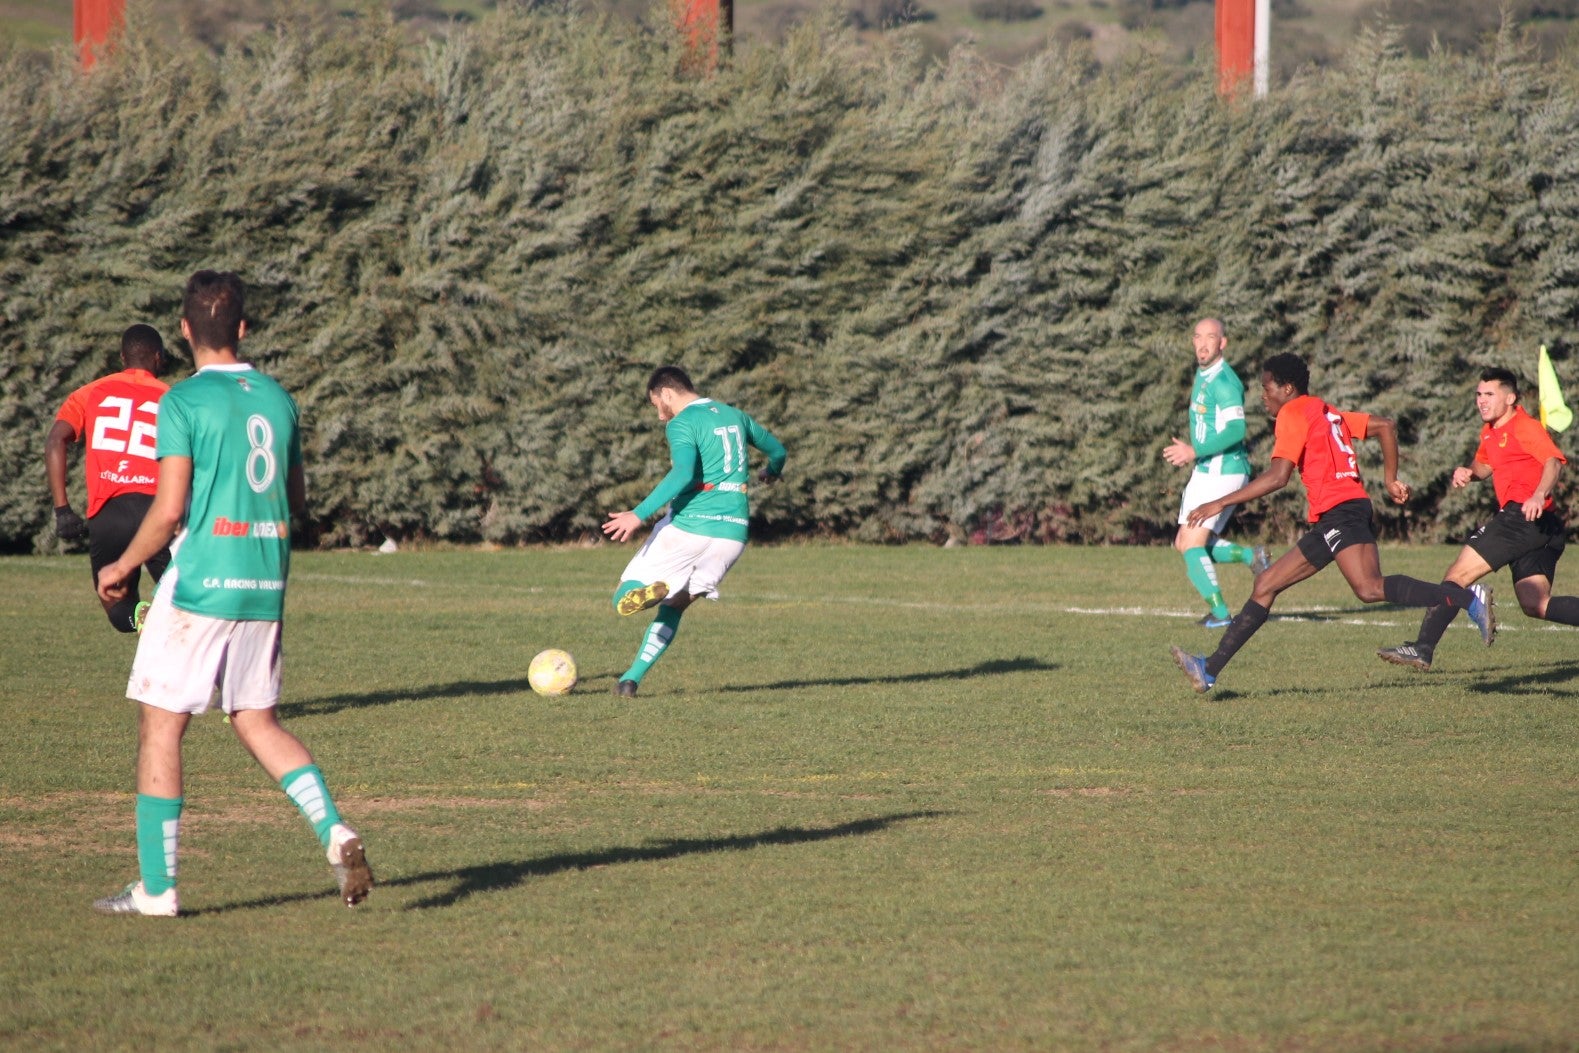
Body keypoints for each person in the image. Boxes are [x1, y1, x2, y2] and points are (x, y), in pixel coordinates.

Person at [92, 271, 371, 917]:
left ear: (186, 330)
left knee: (161, 727)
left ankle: (157, 889)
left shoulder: (182, 402)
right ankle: (335, 829)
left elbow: (166, 512)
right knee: (255, 719)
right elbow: (297, 500)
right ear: (243, 328)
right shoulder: (279, 400)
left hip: (200, 584)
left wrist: (122, 566)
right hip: (263, 583)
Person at [1169, 352, 1495, 693]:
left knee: (1369, 587)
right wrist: (1389, 479)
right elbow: (1385, 425)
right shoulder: (1327, 411)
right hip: (1338, 513)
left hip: (1342, 512)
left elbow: (1279, 476)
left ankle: (1466, 598)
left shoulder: (1293, 413)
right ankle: (1208, 670)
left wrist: (1219, 502)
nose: (1262, 396)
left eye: (1267, 388)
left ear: (1288, 388)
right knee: (1266, 583)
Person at [601, 366, 787, 698]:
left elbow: (683, 474)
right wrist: (771, 472)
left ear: (667, 393)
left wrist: (638, 514)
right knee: (673, 607)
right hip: (733, 534)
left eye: (657, 404)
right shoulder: (735, 415)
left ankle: (642, 594)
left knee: (620, 598)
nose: (660, 415)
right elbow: (778, 451)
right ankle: (630, 680)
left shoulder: (682, 422)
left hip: (690, 523)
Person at [1378, 366, 1579, 671]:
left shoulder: (1525, 426)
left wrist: (1539, 493)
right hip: (1543, 526)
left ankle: (1422, 648)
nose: (1481, 401)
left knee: (1457, 576)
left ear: (1510, 398)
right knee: (1536, 604)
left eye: (1489, 394)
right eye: (1478, 394)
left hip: (1522, 516)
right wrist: (1469, 473)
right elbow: (1484, 465)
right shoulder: (1490, 431)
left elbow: (1553, 462)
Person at [46, 324, 173, 633]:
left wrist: (63, 510)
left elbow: (55, 440)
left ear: (122, 357)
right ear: (158, 358)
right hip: (156, 512)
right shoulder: (173, 398)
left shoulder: (91, 392)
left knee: (114, 600)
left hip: (108, 514)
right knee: (185, 601)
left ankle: (142, 616)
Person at [1161, 318, 1270, 627]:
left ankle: (1221, 615)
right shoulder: (1204, 373)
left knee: (1191, 544)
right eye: (1198, 337)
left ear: (1223, 343)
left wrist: (1194, 450)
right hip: (1208, 469)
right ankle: (1253, 558)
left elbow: (1237, 429)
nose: (1203, 343)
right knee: (1184, 543)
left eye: (1211, 337)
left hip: (1223, 471)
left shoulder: (1223, 381)